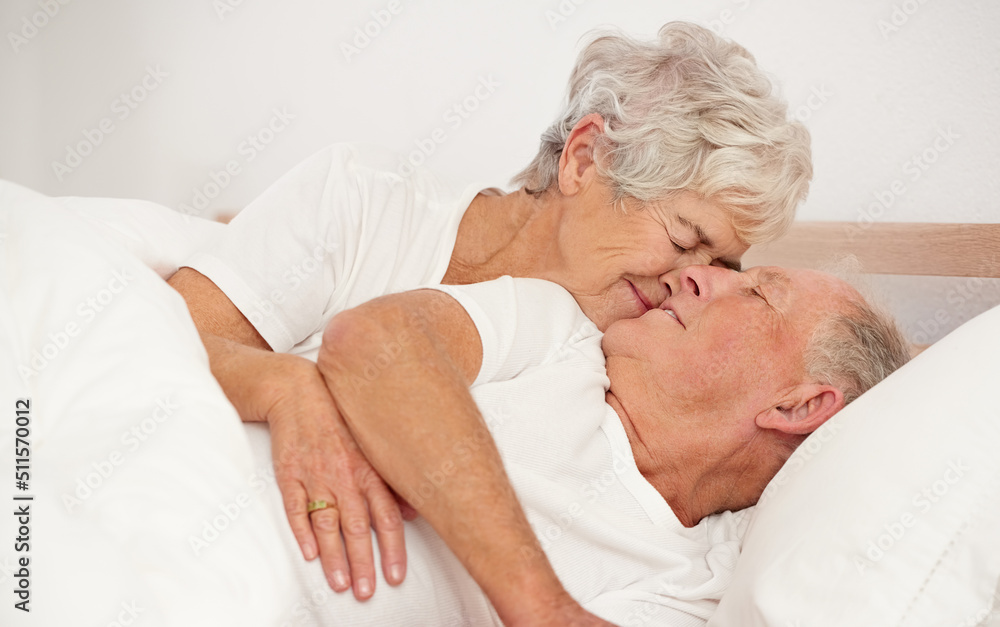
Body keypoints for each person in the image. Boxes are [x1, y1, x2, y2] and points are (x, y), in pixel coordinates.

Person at [167, 21, 812, 605]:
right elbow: (164, 338)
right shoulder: (365, 204)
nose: (689, 280)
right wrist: (288, 386)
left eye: (722, 266)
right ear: (585, 158)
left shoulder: (623, 370)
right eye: (681, 237)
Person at [253, 264, 910, 625]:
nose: (697, 273)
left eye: (758, 291)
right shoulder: (560, 329)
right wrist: (541, 607)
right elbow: (370, 341)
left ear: (799, 404)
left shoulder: (690, 587)